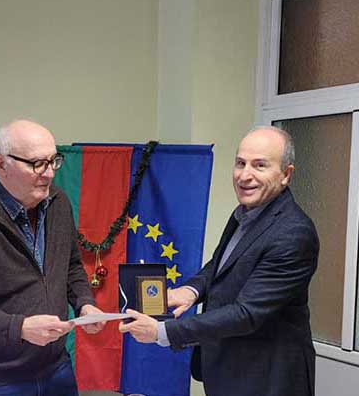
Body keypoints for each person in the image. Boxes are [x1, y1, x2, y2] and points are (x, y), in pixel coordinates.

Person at [120, 126, 319, 396]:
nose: (244, 175)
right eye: (240, 163)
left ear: (286, 174)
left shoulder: (293, 233)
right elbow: (220, 265)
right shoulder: (245, 213)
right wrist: (190, 291)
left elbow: (246, 313)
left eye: (259, 165)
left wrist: (162, 331)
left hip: (267, 379)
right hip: (227, 370)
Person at [0, 119, 104, 396]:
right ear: (1, 164)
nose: (49, 173)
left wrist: (85, 303)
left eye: (53, 161)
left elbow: (71, 266)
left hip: (56, 367)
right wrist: (20, 328)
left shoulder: (58, 203)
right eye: (37, 164)